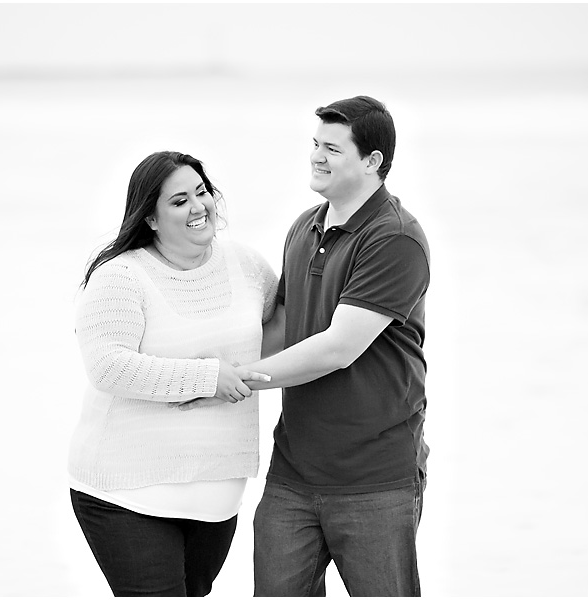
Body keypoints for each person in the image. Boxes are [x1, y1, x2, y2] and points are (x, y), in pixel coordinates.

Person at [179, 96, 431, 596]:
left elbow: (338, 348)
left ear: (372, 161)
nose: (316, 156)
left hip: (375, 479)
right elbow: (281, 327)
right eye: (315, 144)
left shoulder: (395, 238)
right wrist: (197, 370)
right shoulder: (304, 227)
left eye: (332, 148)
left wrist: (235, 382)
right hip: (292, 475)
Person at [67, 151, 278, 597]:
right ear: (151, 218)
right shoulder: (121, 277)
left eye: (202, 192)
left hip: (217, 501)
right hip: (125, 496)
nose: (198, 207)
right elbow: (107, 366)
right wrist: (207, 378)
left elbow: (282, 334)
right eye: (179, 200)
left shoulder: (248, 266)